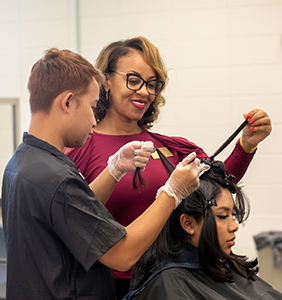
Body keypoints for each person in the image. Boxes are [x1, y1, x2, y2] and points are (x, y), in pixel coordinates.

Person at [64, 36, 272, 299]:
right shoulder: (80, 150)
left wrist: (246, 146)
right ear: (106, 80)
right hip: (108, 287)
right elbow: (69, 220)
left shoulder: (173, 148)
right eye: (134, 79)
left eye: (152, 84)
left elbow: (215, 187)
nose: (144, 91)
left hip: (171, 281)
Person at [1, 48, 204, 300]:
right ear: (68, 102)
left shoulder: (23, 162)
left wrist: (114, 170)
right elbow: (123, 254)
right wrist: (172, 193)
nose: (94, 121)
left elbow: (72, 214)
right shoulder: (57, 178)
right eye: (92, 106)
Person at [124, 159, 282, 300]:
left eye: (232, 215)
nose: (234, 226)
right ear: (188, 224)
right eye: (222, 216)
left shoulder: (224, 265)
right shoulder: (169, 284)